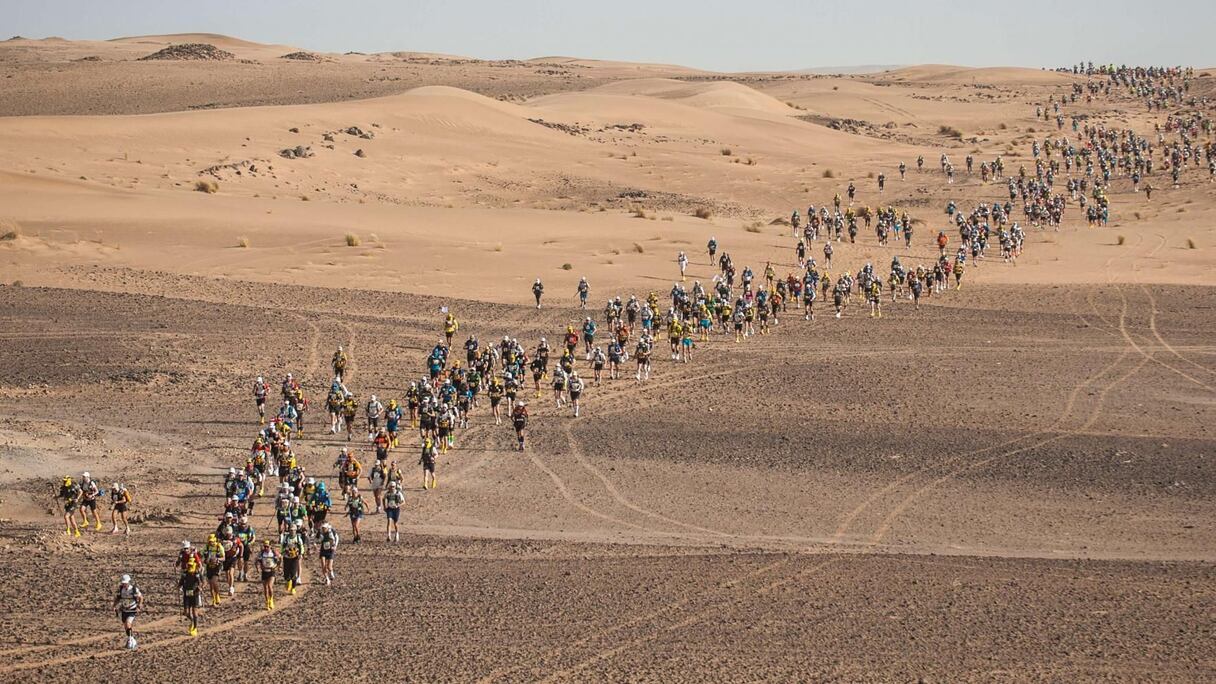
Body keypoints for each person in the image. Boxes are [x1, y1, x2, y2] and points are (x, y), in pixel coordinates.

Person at [113, 574, 144, 650]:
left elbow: (141, 597)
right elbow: (118, 598)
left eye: (125, 583)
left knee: (128, 623)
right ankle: (132, 639)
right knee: (126, 626)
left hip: (132, 610)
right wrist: (114, 606)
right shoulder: (121, 589)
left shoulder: (134, 589)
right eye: (123, 583)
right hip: (124, 610)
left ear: (129, 582)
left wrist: (139, 605)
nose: (124, 584)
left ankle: (130, 640)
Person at [178, 559, 202, 636]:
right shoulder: (184, 574)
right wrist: (179, 586)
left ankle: (195, 627)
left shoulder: (197, 573)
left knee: (194, 611)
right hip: (186, 594)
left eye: (191, 565)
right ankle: (192, 621)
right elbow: (181, 582)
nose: (189, 566)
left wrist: (200, 587)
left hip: (195, 594)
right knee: (186, 612)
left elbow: (202, 582)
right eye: (189, 565)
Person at [255, 540, 279, 610]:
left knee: (269, 586)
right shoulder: (261, 553)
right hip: (264, 572)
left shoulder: (273, 553)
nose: (266, 548)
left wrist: (276, 567)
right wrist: (257, 568)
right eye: (265, 546)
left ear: (270, 546)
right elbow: (256, 561)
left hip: (271, 571)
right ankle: (267, 601)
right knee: (265, 588)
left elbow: (279, 560)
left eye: (267, 547)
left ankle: (271, 600)